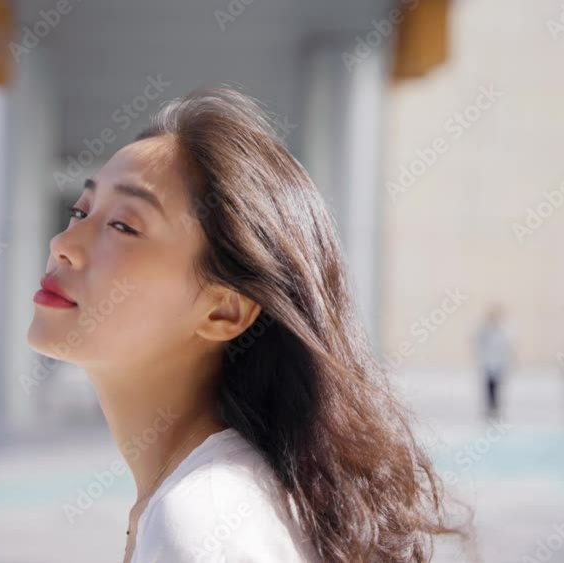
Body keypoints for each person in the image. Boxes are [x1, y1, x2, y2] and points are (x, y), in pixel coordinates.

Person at [27, 86, 472, 563]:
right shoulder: (223, 499)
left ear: (224, 311)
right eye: (81, 211)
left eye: (123, 226)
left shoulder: (201, 521)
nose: (62, 243)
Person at [474, 305, 512, 420]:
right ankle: (490, 408)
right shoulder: (484, 330)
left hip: (499, 364)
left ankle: (496, 408)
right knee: (489, 387)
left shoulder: (503, 331)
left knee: (497, 387)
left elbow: (507, 348)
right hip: (488, 363)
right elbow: (478, 344)